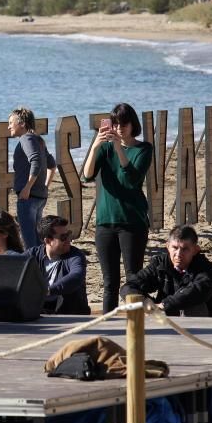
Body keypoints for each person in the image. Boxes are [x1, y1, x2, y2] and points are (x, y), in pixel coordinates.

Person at [82, 103, 153, 313]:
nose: (120, 128)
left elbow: (131, 180)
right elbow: (87, 175)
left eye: (125, 123)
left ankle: (135, 324)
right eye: (116, 124)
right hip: (105, 221)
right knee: (109, 282)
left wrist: (119, 148)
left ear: (133, 124)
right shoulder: (104, 147)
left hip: (132, 222)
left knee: (133, 278)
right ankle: (108, 324)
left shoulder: (144, 149)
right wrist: (95, 146)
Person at [120, 224, 212, 317]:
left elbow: (198, 290)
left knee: (192, 304)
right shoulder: (159, 264)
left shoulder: (206, 268)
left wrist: (164, 305)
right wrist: (147, 303)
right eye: (175, 248)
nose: (178, 254)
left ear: (195, 250)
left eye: (185, 249)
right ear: (167, 247)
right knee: (135, 300)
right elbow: (129, 287)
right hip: (165, 318)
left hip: (203, 325)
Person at [8, 107, 57, 248]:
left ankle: (35, 269)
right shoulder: (38, 139)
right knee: (38, 241)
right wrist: (45, 187)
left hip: (28, 198)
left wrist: (27, 188)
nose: (9, 126)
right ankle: (41, 268)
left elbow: (36, 161)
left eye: (11, 122)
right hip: (39, 196)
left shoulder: (26, 138)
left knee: (30, 243)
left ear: (22, 123)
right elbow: (52, 165)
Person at [26, 215, 90, 315]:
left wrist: (48, 291)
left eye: (69, 234)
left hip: (71, 315)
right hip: (39, 312)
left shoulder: (76, 255)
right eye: (63, 237)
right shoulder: (33, 254)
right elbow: (15, 269)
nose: (69, 240)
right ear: (47, 241)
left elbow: (77, 276)